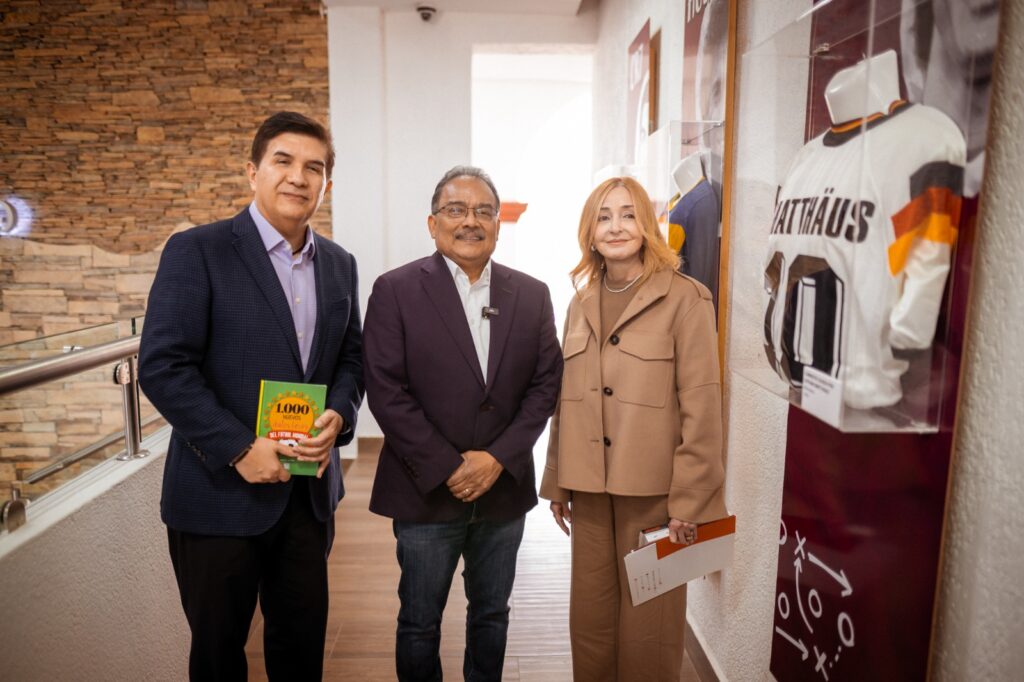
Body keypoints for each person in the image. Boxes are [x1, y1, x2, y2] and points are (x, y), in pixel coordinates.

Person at [139, 111, 364, 681]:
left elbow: (350, 359)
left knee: (300, 654)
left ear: (326, 183)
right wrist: (240, 448)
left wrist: (340, 414)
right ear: (252, 171)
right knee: (218, 658)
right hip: (217, 495)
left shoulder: (340, 265)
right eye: (283, 161)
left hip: (307, 497)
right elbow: (163, 367)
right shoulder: (198, 251)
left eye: (314, 167)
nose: (298, 177)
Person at [362, 165, 563, 682]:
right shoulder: (395, 290)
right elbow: (385, 389)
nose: (470, 221)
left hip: (503, 489)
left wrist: (497, 458)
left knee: (492, 615)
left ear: (498, 224)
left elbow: (545, 385)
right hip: (426, 490)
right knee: (419, 622)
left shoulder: (532, 294)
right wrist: (449, 467)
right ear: (433, 224)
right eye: (456, 210)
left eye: (483, 211)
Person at [539, 176, 727, 681]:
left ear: (647, 224)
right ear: (589, 231)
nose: (616, 226)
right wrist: (557, 483)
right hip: (589, 493)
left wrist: (691, 501)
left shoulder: (687, 299)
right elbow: (567, 401)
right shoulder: (580, 303)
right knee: (591, 624)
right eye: (603, 217)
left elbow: (703, 405)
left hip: (657, 497)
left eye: (628, 214)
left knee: (651, 630)